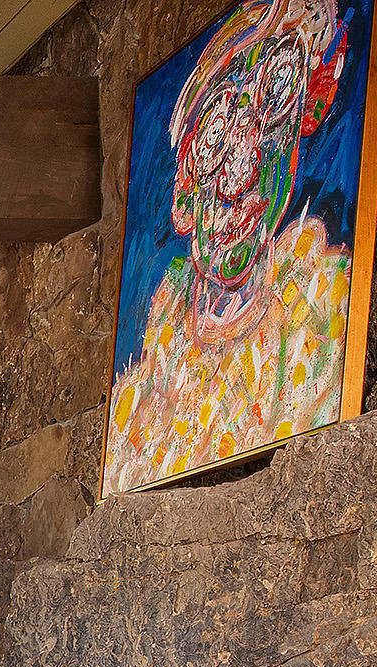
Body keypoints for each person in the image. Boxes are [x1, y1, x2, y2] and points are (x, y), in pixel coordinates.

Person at [104, 0, 353, 495]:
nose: (241, 172)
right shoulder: (143, 396)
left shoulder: (323, 312)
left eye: (272, 110)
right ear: (182, 195)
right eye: (217, 138)